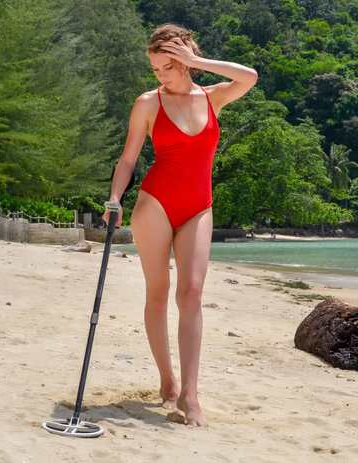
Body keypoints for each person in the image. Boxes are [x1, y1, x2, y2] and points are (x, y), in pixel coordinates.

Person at [101, 23, 258, 427]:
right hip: (155, 203)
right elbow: (128, 158)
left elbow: (250, 77)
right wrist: (115, 198)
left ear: (185, 59)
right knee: (158, 292)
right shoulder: (148, 103)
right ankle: (167, 380)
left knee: (191, 293)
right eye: (155, 69)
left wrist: (198, 61)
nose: (161, 75)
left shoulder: (213, 97)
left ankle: (191, 393)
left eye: (167, 67)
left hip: (198, 207)